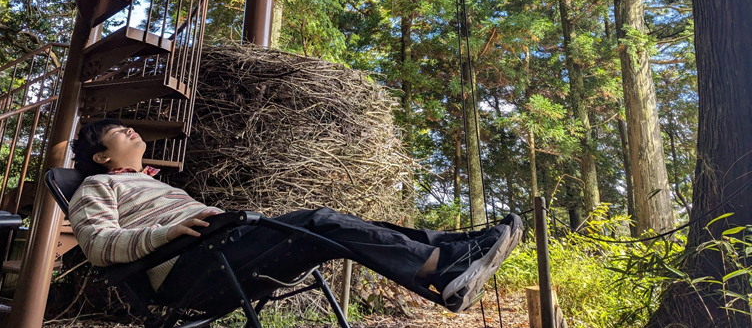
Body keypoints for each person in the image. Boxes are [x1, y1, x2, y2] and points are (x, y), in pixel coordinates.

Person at [68, 119, 522, 313]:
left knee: (331, 229)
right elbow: (98, 245)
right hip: (190, 272)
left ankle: (446, 261)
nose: (130, 130)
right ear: (102, 157)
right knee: (319, 220)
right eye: (116, 132)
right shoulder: (97, 186)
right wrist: (168, 230)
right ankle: (444, 265)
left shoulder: (157, 184)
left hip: (218, 252)